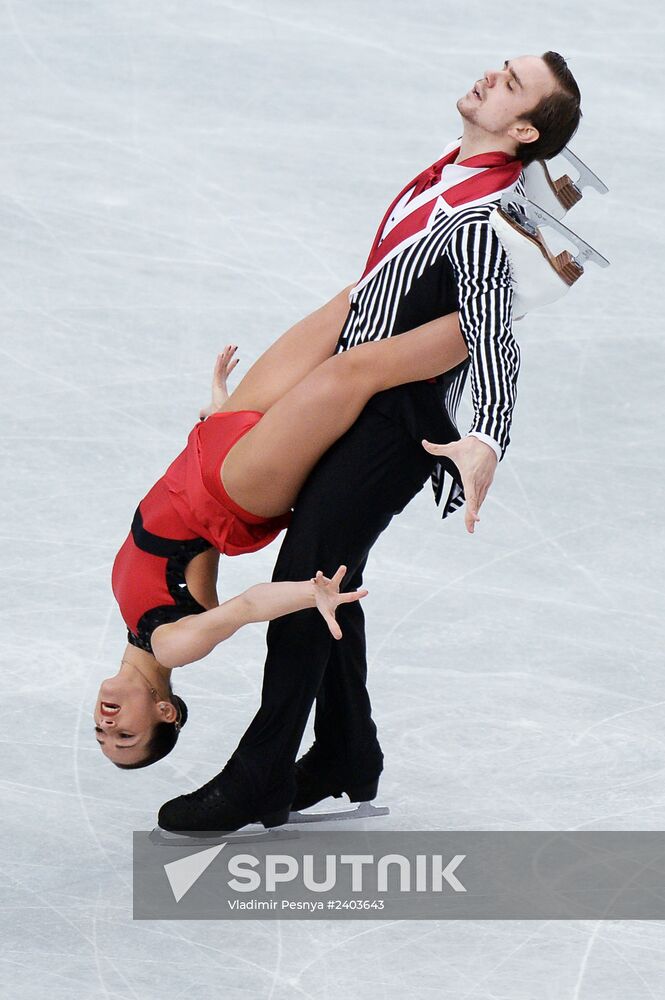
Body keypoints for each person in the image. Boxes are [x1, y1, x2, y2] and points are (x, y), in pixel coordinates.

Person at [156, 51, 584, 834]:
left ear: (522, 129)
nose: (490, 78)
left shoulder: (481, 219)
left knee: (307, 574)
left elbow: (492, 330)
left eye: (511, 86)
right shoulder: (444, 176)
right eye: (499, 68)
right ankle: (349, 752)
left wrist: (487, 435)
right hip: (360, 401)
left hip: (399, 428)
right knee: (331, 569)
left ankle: (260, 774)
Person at [96, 308, 469, 772]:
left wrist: (218, 406)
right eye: (125, 736)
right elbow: (248, 606)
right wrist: (311, 592)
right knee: (359, 370)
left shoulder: (134, 624)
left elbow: (173, 520)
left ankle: (475, 261)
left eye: (102, 734)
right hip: (237, 484)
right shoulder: (171, 646)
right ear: (164, 712)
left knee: (355, 306)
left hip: (212, 442)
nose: (108, 725)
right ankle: (500, 308)